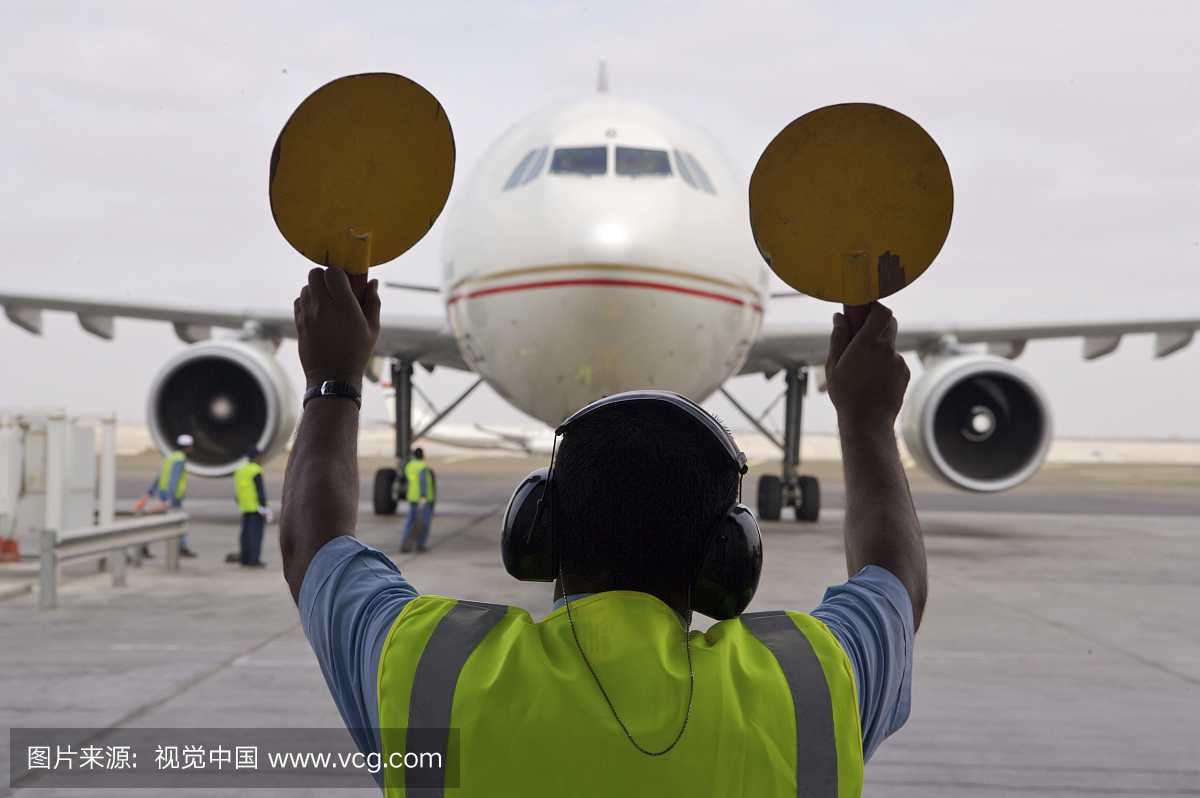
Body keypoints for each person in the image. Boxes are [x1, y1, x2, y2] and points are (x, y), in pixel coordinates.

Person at [281, 268, 927, 795]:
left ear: (539, 530)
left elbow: (312, 546)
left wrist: (332, 380)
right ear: (728, 561)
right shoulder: (808, 687)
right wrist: (868, 418)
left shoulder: (435, 672)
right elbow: (894, 580)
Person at [133, 433, 197, 557]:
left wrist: (151, 491)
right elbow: (174, 479)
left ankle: (144, 545)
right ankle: (181, 547)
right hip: (172, 498)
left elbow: (160, 475)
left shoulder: (170, 457)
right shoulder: (180, 460)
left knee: (159, 522)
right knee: (177, 522)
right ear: (188, 447)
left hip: (162, 494)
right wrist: (170, 498)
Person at [233, 446, 271, 567]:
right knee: (255, 535)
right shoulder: (256, 470)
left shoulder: (240, 470)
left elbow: (237, 490)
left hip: (244, 507)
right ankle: (254, 560)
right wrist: (264, 507)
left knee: (245, 534)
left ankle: (244, 559)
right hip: (256, 507)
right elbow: (260, 491)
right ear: (257, 457)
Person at [399, 448, 434, 553]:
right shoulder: (422, 466)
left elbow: (407, 481)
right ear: (423, 455)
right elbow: (423, 482)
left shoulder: (409, 466)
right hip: (422, 498)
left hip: (412, 497)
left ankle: (405, 543)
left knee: (411, 520)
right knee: (423, 522)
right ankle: (420, 544)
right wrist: (423, 496)